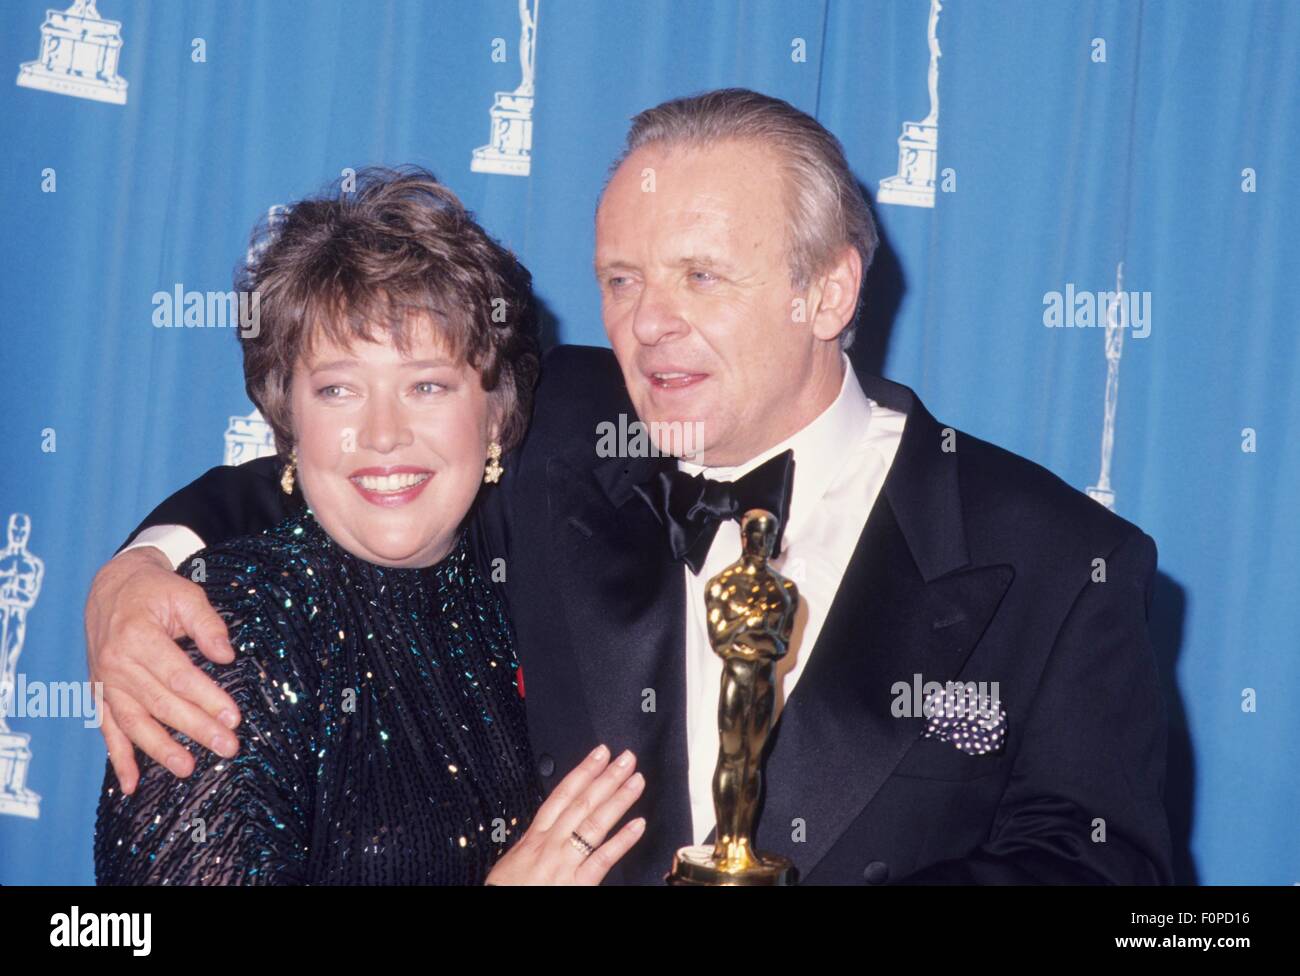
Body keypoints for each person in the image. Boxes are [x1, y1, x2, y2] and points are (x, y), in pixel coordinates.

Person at [87, 90, 1173, 885]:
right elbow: (330, 470)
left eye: (701, 275)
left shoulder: (1056, 561)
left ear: (830, 287)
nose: (650, 322)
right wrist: (139, 572)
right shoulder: (551, 426)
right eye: (622, 278)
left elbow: (1110, 880)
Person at [93, 167, 646, 885]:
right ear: (290, 419)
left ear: (499, 416)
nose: (381, 434)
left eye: (426, 385)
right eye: (339, 389)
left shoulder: (517, 590)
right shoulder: (222, 639)